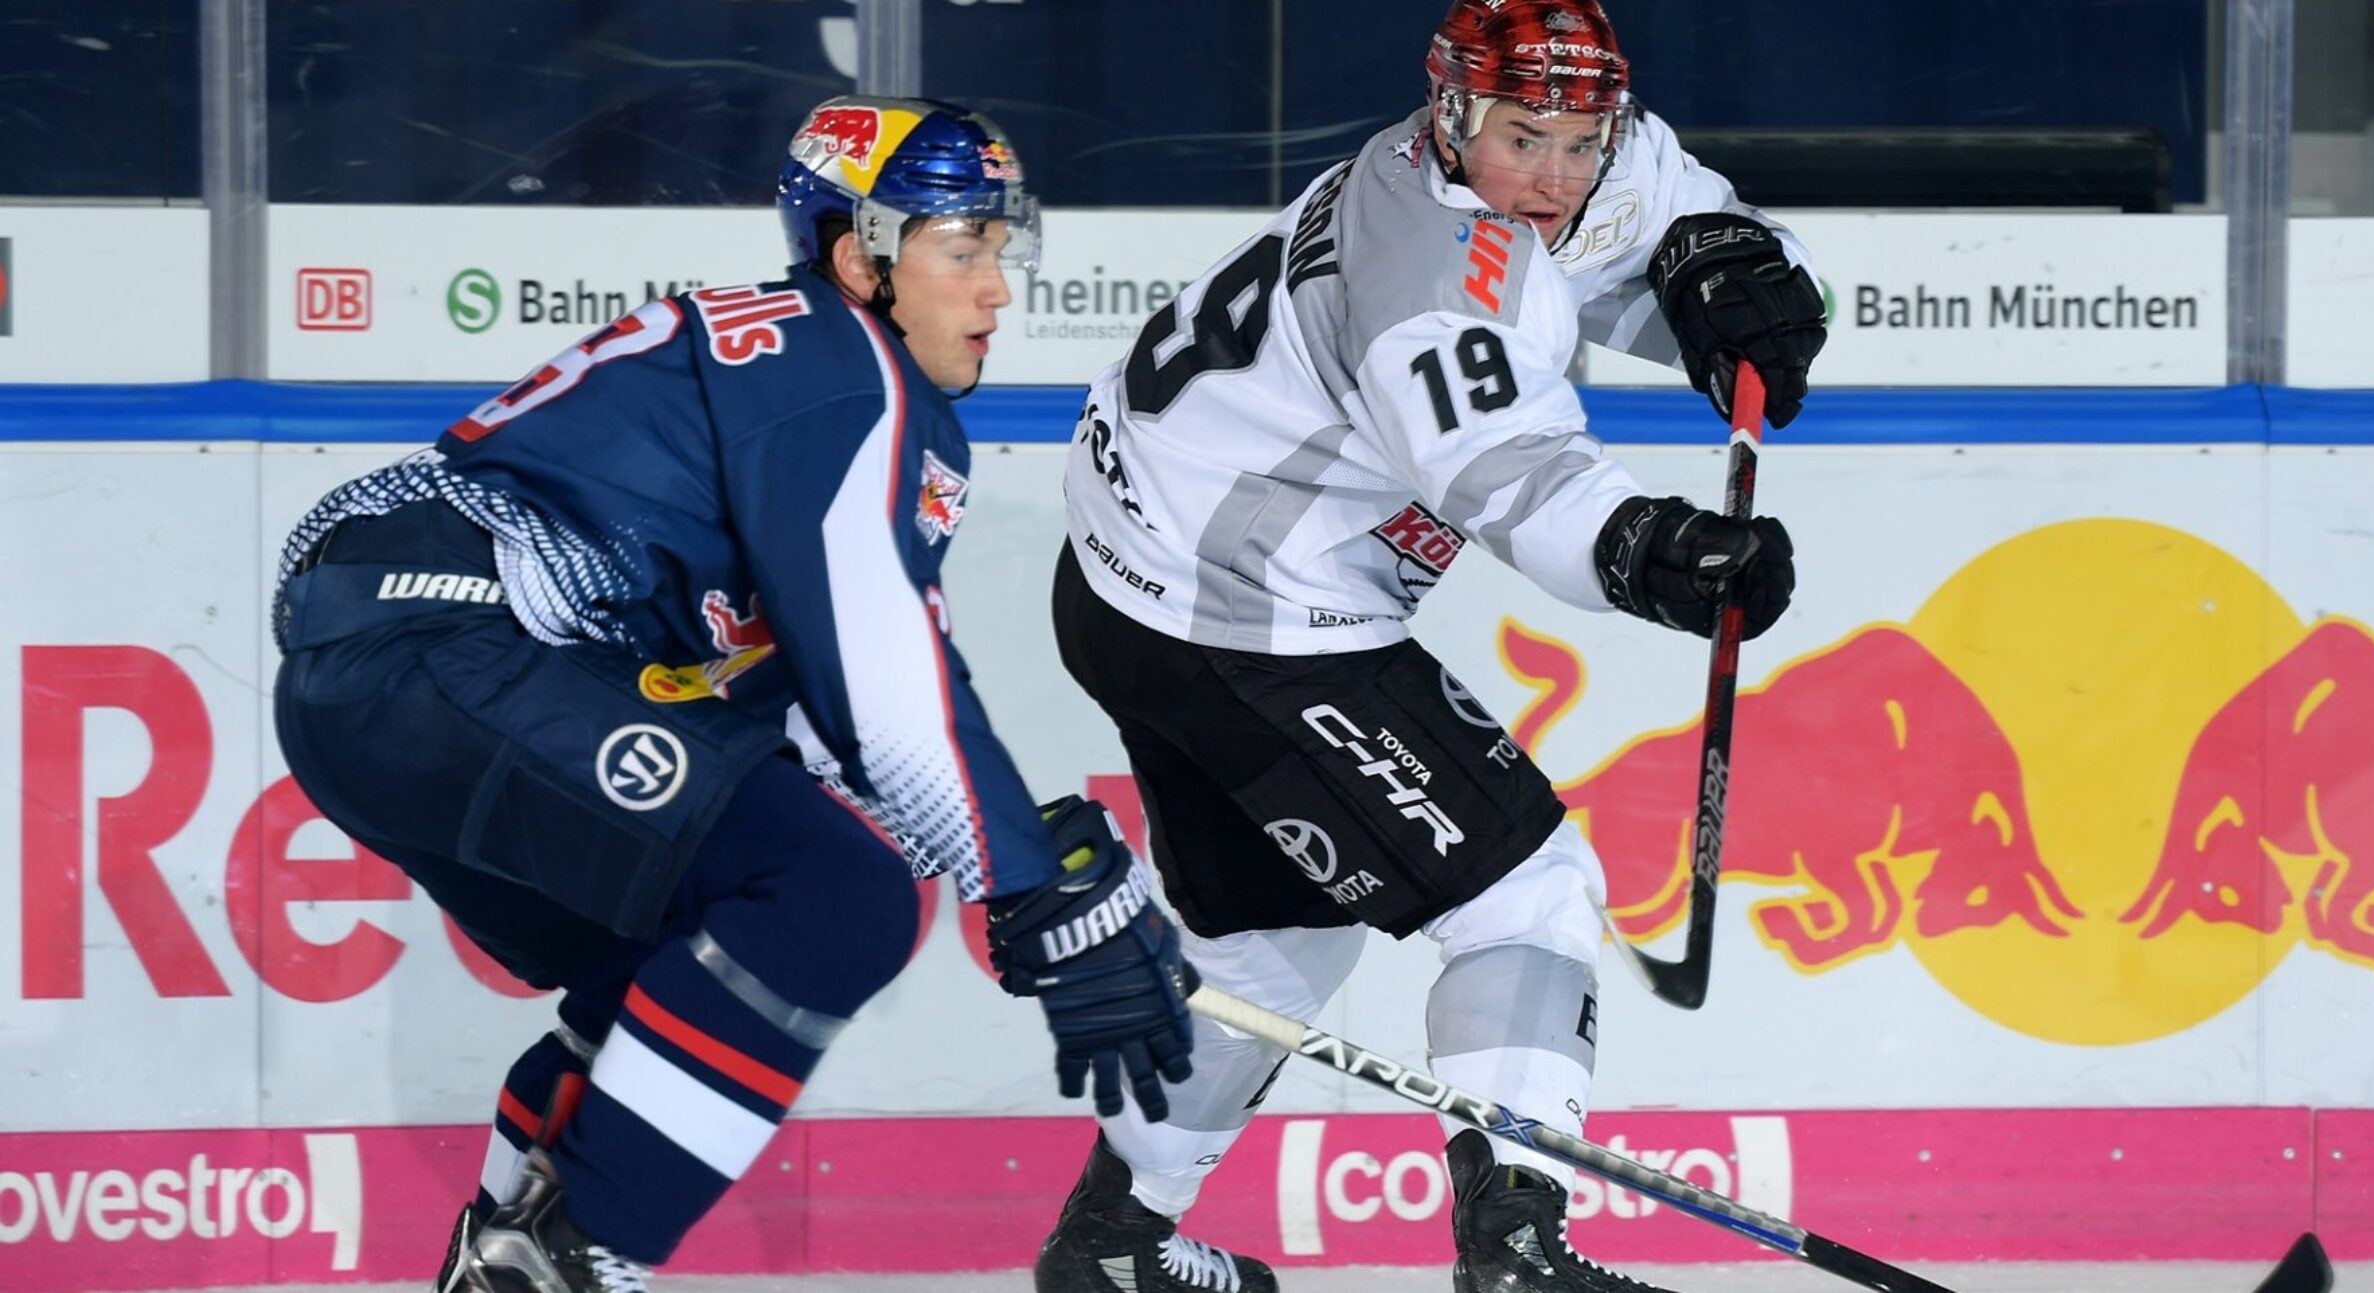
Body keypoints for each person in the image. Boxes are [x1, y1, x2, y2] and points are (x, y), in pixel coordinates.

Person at [269, 97, 1200, 1293]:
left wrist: (1035, 857)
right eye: (962, 248)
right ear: (860, 257)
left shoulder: (806, 369)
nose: (996, 289)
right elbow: (880, 674)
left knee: (687, 944)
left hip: (393, 674)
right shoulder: (843, 368)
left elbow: (807, 714)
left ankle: (504, 1256)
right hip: (443, 645)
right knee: (835, 898)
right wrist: (1027, 885)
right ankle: (569, 1265)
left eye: (999, 250)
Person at [1041, 2, 1827, 1291]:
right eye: (1525, 139)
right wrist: (1652, 546)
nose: (1555, 178)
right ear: (1452, 114)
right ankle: (1516, 1255)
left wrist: (1733, 260)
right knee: (1528, 894)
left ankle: (1111, 1248)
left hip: (1135, 588)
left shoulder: (1550, 159)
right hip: (1245, 617)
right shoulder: (1431, 270)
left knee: (1278, 940)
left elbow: (1678, 208)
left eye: (1581, 140)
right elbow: (1502, 470)